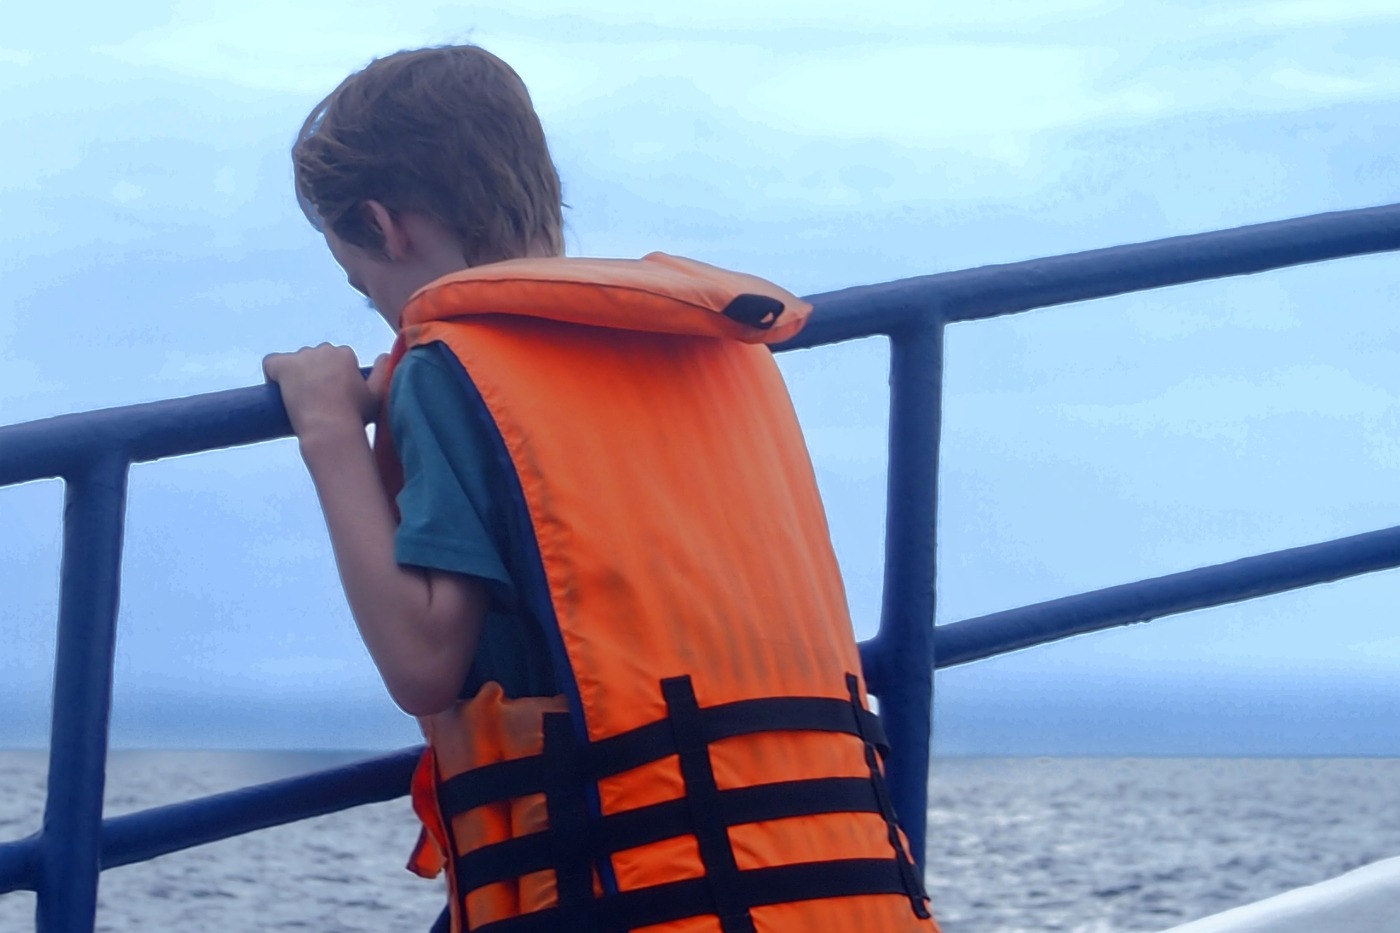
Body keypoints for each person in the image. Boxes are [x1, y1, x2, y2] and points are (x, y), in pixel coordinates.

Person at [264, 44, 939, 933]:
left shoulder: (449, 366)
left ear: (386, 226)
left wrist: (327, 431)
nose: (385, 320)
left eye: (366, 289)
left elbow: (423, 661)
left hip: (627, 895)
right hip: (829, 882)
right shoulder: (712, 347)